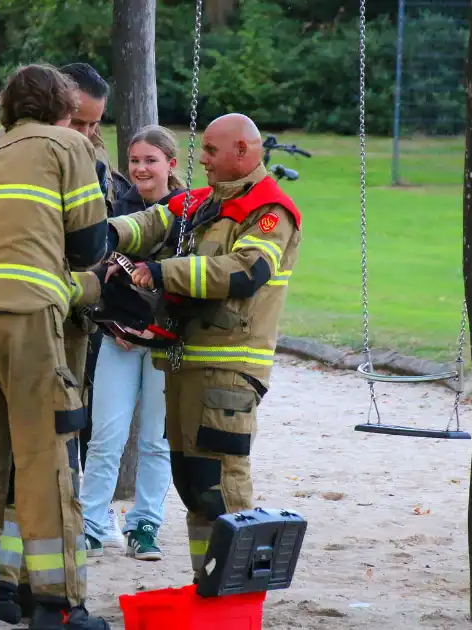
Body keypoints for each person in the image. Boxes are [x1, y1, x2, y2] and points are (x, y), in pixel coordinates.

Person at [0, 63, 110, 630]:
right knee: (45, 459)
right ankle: (58, 605)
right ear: (64, 109)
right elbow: (89, 245)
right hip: (29, 311)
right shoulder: (69, 144)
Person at [104, 113, 302, 581]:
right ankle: (209, 587)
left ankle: (237, 600)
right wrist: (105, 235)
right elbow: (150, 222)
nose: (203, 160)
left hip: (230, 373)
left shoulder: (270, 210)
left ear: (244, 151)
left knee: (223, 491)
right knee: (194, 487)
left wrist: (161, 271)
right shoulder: (200, 202)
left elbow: (245, 272)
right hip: (187, 368)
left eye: (212, 151)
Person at [79, 125, 186, 562]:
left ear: (170, 165)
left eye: (151, 160)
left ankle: (145, 524)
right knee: (106, 433)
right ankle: (91, 521)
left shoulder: (187, 212)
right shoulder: (116, 211)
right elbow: (97, 274)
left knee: (156, 441)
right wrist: (110, 322)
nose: (141, 168)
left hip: (164, 343)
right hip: (119, 339)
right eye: (135, 161)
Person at [57, 61, 130, 547]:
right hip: (43, 312)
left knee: (81, 424)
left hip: (86, 320)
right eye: (77, 121)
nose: (86, 133)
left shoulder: (99, 166)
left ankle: (76, 526)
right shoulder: (25, 157)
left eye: (94, 124)